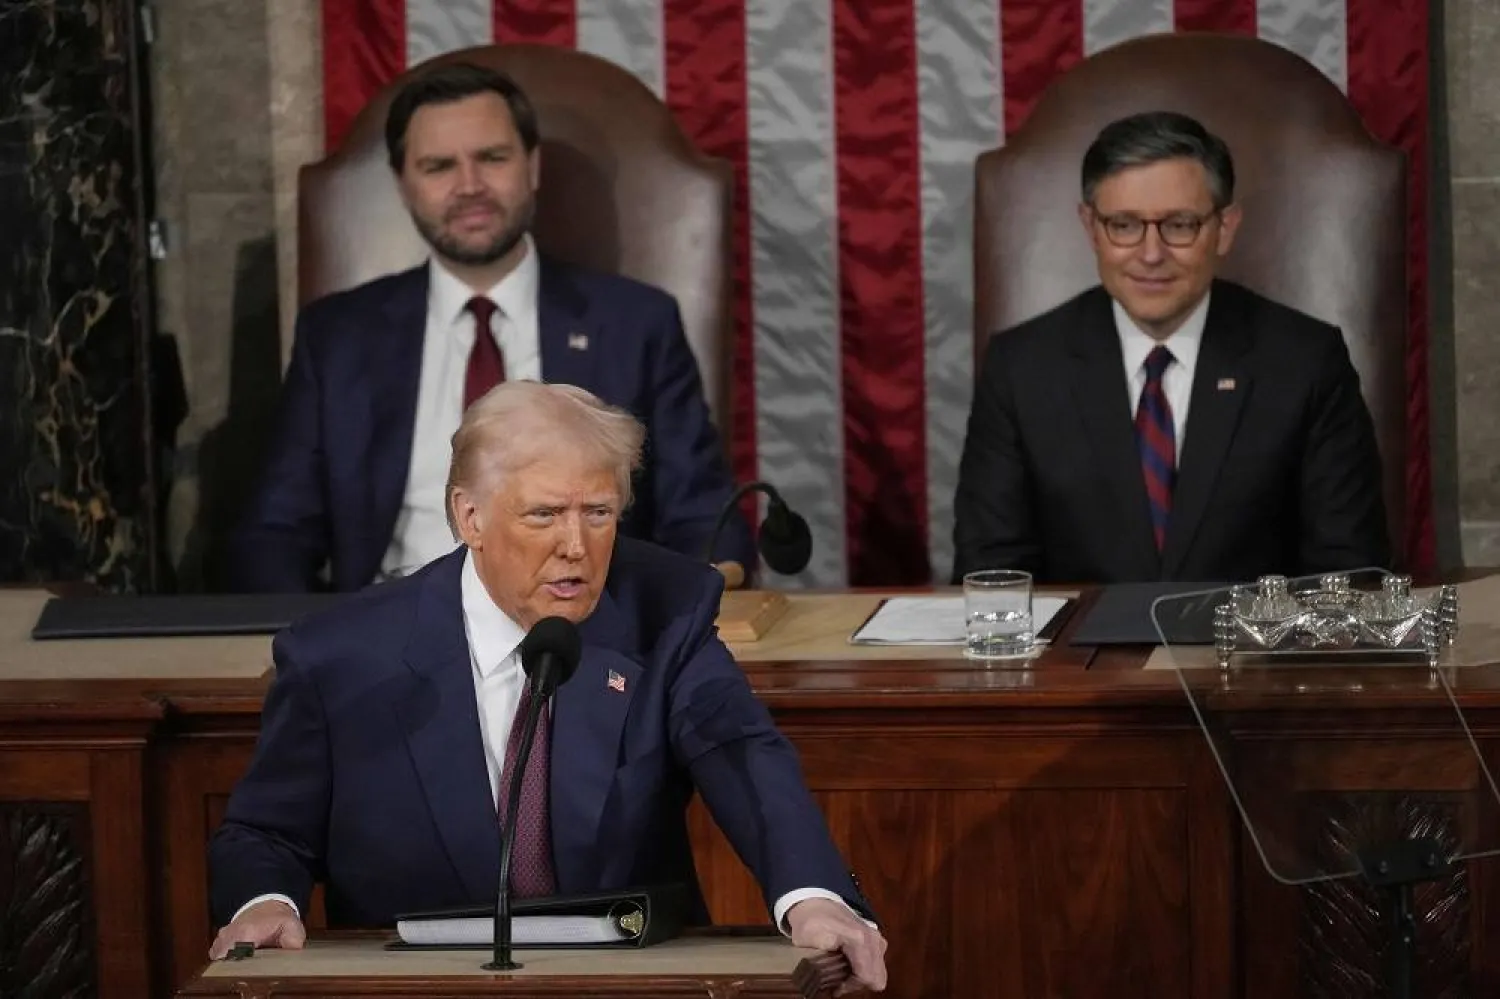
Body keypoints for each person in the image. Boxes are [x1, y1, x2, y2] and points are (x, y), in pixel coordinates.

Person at [207, 381, 888, 993]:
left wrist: (814, 895)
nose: (576, 545)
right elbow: (267, 832)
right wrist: (264, 902)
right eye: (544, 515)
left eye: (598, 513)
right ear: (469, 516)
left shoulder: (664, 608)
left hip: (626, 986)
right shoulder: (342, 656)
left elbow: (742, 751)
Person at [226, 61, 754, 593]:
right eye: (438, 166)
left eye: (492, 158)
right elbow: (274, 533)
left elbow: (705, 519)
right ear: (403, 185)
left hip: (584, 639)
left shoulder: (636, 325)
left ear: (532, 167)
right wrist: (323, 651)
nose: (469, 186)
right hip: (389, 640)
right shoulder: (338, 338)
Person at [952, 110, 1390, 584]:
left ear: (1224, 228)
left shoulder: (1305, 361)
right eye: (1124, 225)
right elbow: (992, 578)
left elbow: (1350, 575)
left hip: (1246, 654)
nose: (1151, 253)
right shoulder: (1022, 368)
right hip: (1077, 656)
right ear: (1090, 228)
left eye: (1179, 225)